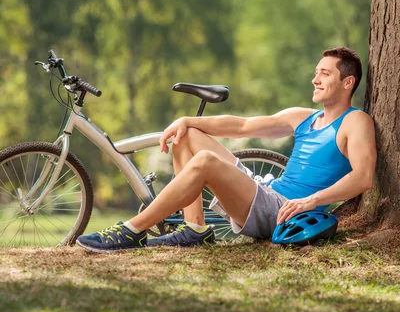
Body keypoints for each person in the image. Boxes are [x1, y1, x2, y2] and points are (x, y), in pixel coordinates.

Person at [76, 47, 377, 253]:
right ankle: (195, 229)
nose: (315, 79)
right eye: (316, 71)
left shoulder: (355, 122)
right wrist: (186, 120)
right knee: (187, 135)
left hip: (285, 210)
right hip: (267, 191)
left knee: (206, 160)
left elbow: (363, 178)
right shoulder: (305, 117)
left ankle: (130, 230)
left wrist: (312, 201)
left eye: (325, 74)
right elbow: (243, 126)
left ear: (347, 82)